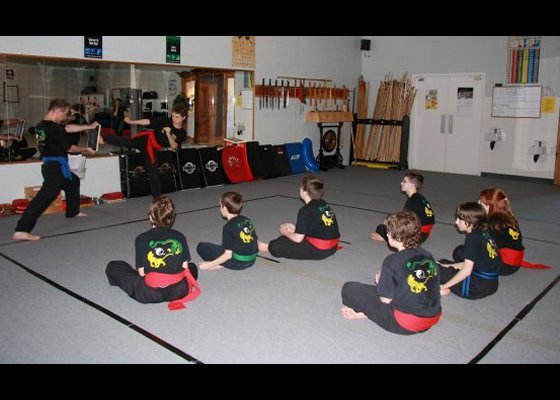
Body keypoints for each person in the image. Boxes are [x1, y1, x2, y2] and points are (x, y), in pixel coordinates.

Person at [341, 211, 442, 335]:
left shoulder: (392, 261)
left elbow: (385, 300)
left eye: (388, 232)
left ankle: (366, 313)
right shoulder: (427, 255)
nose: (387, 235)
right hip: (431, 319)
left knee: (350, 289)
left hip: (403, 324)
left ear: (397, 237)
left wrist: (381, 281)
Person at [12, 99, 97, 241]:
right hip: (56, 168)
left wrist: (88, 127)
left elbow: (67, 128)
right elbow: (70, 148)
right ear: (58, 110)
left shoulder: (42, 125)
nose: (64, 117)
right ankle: (21, 229)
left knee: (73, 181)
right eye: (65, 113)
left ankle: (72, 212)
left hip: (49, 166)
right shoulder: (55, 128)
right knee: (45, 197)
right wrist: (86, 149)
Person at [106, 196, 200, 310]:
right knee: (192, 266)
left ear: (151, 217)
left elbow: (141, 273)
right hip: (179, 290)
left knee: (113, 266)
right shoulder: (180, 237)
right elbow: (185, 268)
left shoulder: (141, 239)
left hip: (150, 293)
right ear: (172, 218)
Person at [453, 188, 551, 275]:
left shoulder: (491, 224)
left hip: (504, 266)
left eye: (481, 203)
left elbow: (480, 247)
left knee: (459, 252)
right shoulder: (508, 217)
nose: (478, 203)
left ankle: (470, 271)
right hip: (514, 263)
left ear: (489, 206)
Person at [99, 103, 188, 198]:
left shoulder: (181, 133)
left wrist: (169, 135)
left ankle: (157, 199)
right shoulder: (166, 120)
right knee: (128, 142)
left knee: (153, 173)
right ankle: (103, 138)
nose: (174, 119)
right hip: (146, 139)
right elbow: (148, 121)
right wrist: (131, 122)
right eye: (173, 116)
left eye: (177, 117)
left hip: (154, 147)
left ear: (183, 117)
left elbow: (174, 146)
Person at [258, 174, 340, 260]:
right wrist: (295, 229)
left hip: (319, 250)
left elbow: (297, 239)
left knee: (278, 244)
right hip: (332, 248)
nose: (299, 189)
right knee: (288, 238)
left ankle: (266, 247)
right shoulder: (323, 203)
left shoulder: (305, 210)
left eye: (301, 187)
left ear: (305, 192)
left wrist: (285, 231)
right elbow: (319, 226)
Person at [438, 202, 502, 299]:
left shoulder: (472, 238)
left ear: (470, 222)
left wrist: (443, 286)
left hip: (477, 287)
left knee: (436, 270)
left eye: (460, 219)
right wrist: (445, 266)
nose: (456, 222)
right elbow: (472, 264)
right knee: (443, 263)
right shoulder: (484, 232)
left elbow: (466, 271)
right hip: (492, 285)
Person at [197, 191, 258, 271]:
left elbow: (227, 255)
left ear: (225, 208)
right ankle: (223, 263)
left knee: (201, 247)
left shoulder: (228, 227)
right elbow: (254, 241)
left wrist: (208, 265)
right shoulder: (247, 220)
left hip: (238, 263)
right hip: (252, 260)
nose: (220, 209)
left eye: (220, 206)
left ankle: (219, 265)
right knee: (232, 243)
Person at [371, 171, 435, 244]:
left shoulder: (412, 202)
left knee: (381, 228)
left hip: (418, 236)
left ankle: (384, 237)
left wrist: (388, 230)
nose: (401, 183)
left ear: (412, 185)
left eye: (404, 181)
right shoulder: (420, 197)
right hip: (425, 232)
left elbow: (405, 224)